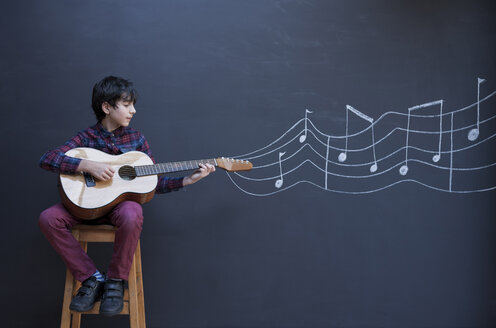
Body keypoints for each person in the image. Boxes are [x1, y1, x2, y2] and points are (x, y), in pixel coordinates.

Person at [38, 76, 215, 316]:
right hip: (83, 208)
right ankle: (91, 279)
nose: (133, 110)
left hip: (117, 211)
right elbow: (47, 159)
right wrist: (86, 166)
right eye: (127, 104)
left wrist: (188, 179)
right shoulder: (85, 138)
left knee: (133, 211)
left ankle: (115, 282)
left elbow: (154, 184)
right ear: (107, 107)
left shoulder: (137, 140)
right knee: (49, 218)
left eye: (133, 104)